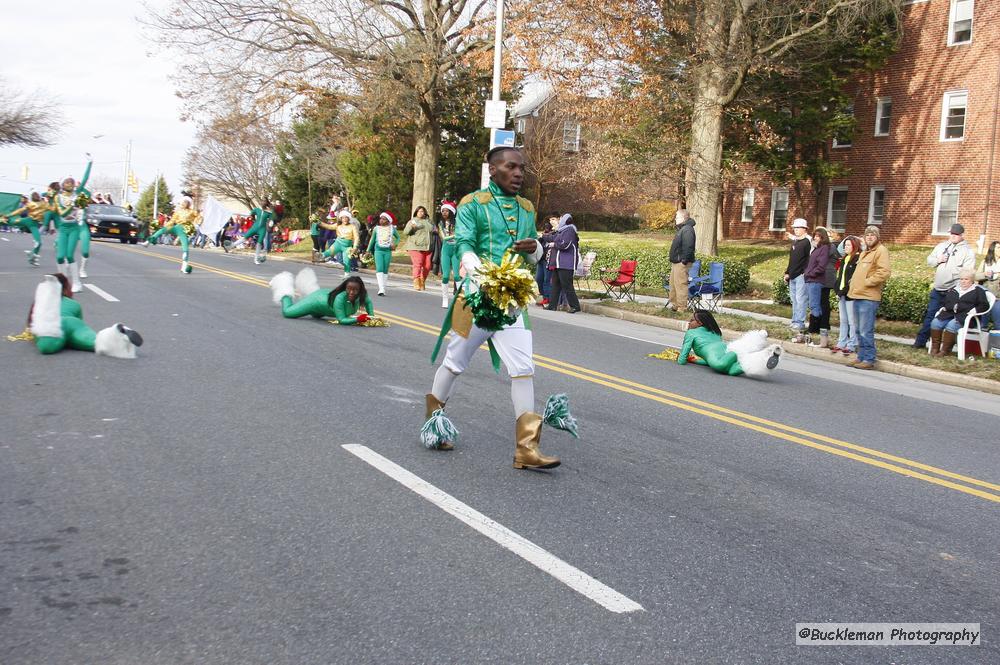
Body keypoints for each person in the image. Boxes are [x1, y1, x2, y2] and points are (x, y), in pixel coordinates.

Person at [422, 146, 569, 469]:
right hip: (475, 299)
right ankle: (434, 425)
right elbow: (464, 245)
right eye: (511, 167)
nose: (518, 174)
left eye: (522, 169)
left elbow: (534, 251)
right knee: (454, 363)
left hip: (513, 303)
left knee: (523, 368)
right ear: (493, 170)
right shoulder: (473, 204)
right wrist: (484, 276)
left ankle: (527, 449)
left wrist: (537, 249)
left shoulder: (527, 208)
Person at [28, 273, 143, 357]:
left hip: (51, 322)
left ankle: (52, 287)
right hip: (73, 323)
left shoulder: (40, 304)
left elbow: (31, 326)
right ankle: (116, 333)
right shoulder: (75, 304)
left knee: (46, 347)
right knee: (96, 341)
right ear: (65, 290)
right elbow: (80, 325)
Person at [913, 223, 976, 349]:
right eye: (952, 233)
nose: (953, 236)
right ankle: (920, 343)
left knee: (948, 318)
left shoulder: (967, 251)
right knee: (930, 316)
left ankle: (945, 348)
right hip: (938, 289)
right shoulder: (942, 246)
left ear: (962, 235)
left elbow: (967, 272)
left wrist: (954, 275)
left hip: (953, 291)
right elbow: (929, 261)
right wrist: (938, 259)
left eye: (956, 234)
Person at [677, 310, 782, 378]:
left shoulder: (691, 333)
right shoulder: (715, 332)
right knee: (731, 371)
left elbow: (682, 358)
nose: (689, 322)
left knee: (721, 365)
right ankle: (763, 358)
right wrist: (694, 360)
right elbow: (709, 359)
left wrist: (681, 359)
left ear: (699, 323)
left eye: (691, 320)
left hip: (721, 360)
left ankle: (761, 355)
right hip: (728, 351)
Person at [847, 226, 891, 370]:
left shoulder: (881, 251)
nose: (870, 237)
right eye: (868, 235)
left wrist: (867, 282)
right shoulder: (865, 252)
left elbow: (884, 272)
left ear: (877, 237)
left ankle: (869, 358)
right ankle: (861, 356)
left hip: (868, 297)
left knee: (866, 330)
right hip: (857, 294)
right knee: (858, 329)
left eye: (873, 235)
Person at [269, 269, 374, 325]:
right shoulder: (340, 299)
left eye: (355, 289)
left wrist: (371, 316)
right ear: (345, 288)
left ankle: (315, 309)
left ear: (360, 290)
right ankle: (283, 286)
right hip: (315, 301)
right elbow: (342, 320)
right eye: (349, 289)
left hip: (321, 308)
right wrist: (358, 319)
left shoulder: (362, 296)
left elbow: (368, 303)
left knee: (317, 316)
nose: (351, 292)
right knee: (288, 313)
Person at [52, 156, 93, 293]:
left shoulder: (77, 193)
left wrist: (90, 163)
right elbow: (63, 214)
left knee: (69, 255)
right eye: (67, 182)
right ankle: (63, 283)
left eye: (71, 182)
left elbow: (85, 178)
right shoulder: (58, 197)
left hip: (74, 227)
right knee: (59, 256)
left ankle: (76, 282)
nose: (70, 184)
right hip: (63, 228)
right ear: (62, 184)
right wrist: (73, 205)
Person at [928, 268, 990, 356]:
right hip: (949, 314)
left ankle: (945, 351)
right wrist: (945, 307)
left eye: (966, 279)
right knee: (935, 323)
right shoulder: (954, 289)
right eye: (961, 279)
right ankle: (934, 349)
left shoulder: (978, 291)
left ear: (971, 280)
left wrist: (975, 310)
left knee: (951, 325)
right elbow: (946, 302)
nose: (963, 281)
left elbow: (984, 305)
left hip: (966, 317)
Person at [141, 197, 200, 273]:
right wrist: (166, 227)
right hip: (177, 227)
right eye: (183, 202)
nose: (184, 204)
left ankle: (184, 266)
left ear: (188, 204)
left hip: (184, 230)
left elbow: (199, 217)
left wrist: (197, 222)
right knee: (162, 230)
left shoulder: (192, 212)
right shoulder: (178, 211)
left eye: (186, 202)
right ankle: (148, 242)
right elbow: (172, 221)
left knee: (185, 248)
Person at [801, 227, 833, 346]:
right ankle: (814, 329)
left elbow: (821, 266)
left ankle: (814, 330)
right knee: (813, 305)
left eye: (818, 236)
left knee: (815, 306)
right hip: (810, 279)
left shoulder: (824, 248)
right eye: (815, 236)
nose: (815, 238)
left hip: (815, 280)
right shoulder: (816, 249)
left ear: (823, 237)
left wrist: (809, 273)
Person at [831, 235, 862, 356]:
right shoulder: (845, 259)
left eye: (848, 245)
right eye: (845, 245)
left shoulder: (856, 260)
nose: (846, 247)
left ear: (855, 246)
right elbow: (841, 276)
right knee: (843, 320)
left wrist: (843, 290)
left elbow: (852, 279)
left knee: (852, 321)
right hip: (841, 293)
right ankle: (841, 342)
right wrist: (837, 289)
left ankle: (852, 344)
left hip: (850, 294)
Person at [546, 213, 581, 313]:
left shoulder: (569, 230)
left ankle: (575, 306)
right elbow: (553, 238)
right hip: (559, 262)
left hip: (566, 263)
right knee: (555, 284)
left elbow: (565, 245)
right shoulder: (562, 230)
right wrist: (543, 237)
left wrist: (554, 244)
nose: (560, 219)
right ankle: (552, 305)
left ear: (565, 219)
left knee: (567, 285)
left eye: (561, 218)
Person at [783, 218, 811, 333]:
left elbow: (808, 259)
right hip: (792, 275)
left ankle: (800, 322)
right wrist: (787, 272)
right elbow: (792, 260)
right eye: (795, 228)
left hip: (801, 276)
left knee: (801, 300)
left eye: (798, 228)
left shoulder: (807, 242)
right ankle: (794, 320)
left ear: (804, 229)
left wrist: (805, 272)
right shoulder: (795, 242)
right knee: (794, 300)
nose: (796, 230)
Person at [6, 191, 47, 265]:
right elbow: (20, 210)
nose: (36, 197)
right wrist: (9, 215)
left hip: (34, 224)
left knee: (38, 243)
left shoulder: (44, 204)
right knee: (9, 221)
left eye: (37, 195)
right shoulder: (30, 204)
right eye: (34, 196)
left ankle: (32, 258)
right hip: (28, 220)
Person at [668, 208, 696, 311]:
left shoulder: (687, 229)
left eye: (677, 217)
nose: (675, 219)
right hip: (676, 261)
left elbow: (689, 247)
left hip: (681, 262)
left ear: (684, 218)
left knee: (680, 284)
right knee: (673, 283)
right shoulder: (682, 229)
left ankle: (682, 307)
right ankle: (675, 305)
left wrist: (684, 260)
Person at [231, 199, 274, 264]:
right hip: (254, 227)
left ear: (266, 204)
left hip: (262, 229)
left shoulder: (268, 213)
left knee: (259, 244)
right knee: (244, 238)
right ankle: (231, 246)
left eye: (264, 203)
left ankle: (256, 259)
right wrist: (252, 217)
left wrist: (271, 222)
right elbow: (251, 214)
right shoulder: (257, 210)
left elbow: (272, 219)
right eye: (262, 202)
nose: (262, 204)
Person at [367, 211, 400, 296]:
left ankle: (383, 288)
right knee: (380, 268)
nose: (381, 220)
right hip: (378, 251)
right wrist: (368, 250)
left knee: (385, 269)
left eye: (384, 219)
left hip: (387, 251)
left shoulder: (392, 228)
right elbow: (372, 240)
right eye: (381, 218)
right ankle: (381, 288)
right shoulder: (376, 229)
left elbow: (398, 237)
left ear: (388, 221)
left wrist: (395, 244)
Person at [403, 206, 434, 291]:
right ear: (416, 212)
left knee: (428, 266)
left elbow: (432, 229)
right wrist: (411, 227)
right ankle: (416, 282)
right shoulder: (412, 221)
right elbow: (405, 232)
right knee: (418, 264)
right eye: (419, 211)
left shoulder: (429, 221)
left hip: (428, 247)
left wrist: (431, 225)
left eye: (423, 211)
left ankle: (422, 280)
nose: (421, 213)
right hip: (415, 246)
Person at [321, 209, 360, 275]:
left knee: (346, 261)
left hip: (347, 246)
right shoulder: (338, 225)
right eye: (343, 218)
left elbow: (356, 238)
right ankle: (319, 256)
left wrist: (355, 247)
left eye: (346, 217)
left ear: (349, 218)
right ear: (341, 219)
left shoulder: (352, 226)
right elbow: (328, 226)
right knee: (332, 255)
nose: (344, 219)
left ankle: (347, 274)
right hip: (338, 243)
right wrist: (318, 222)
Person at [437, 200, 460, 308]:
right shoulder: (440, 224)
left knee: (456, 276)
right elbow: (444, 237)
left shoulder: (458, 223)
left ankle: (458, 299)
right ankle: (445, 299)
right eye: (443, 211)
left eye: (447, 211)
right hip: (446, 250)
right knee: (445, 276)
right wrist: (455, 235)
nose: (444, 213)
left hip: (456, 250)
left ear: (451, 212)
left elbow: (462, 234)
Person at [976, 240, 1000, 330]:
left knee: (998, 324)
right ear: (993, 249)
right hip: (984, 298)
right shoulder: (985, 262)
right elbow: (976, 276)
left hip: (998, 299)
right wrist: (984, 274)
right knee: (982, 324)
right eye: (998, 248)